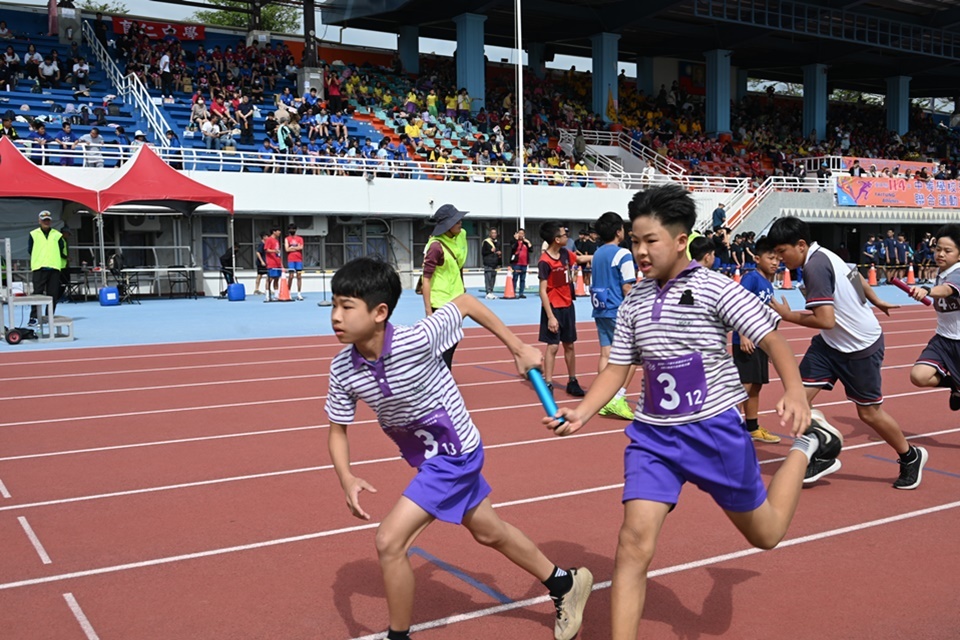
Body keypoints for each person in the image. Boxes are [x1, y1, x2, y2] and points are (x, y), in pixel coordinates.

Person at [545, 184, 834, 640]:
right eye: (635, 241)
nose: (640, 251)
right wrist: (582, 411)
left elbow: (772, 339)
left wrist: (795, 392)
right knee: (632, 542)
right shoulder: (634, 302)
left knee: (766, 534)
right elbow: (617, 368)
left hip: (713, 433)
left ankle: (808, 444)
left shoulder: (716, 287)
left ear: (681, 240)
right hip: (653, 438)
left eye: (650, 241)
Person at [325, 257, 593, 640]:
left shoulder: (417, 339)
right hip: (427, 459)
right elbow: (337, 430)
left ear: (380, 312)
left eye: (346, 306)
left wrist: (517, 347)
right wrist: (346, 476)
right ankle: (565, 583)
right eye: (334, 305)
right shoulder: (343, 369)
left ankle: (398, 636)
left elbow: (465, 303)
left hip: (456, 454)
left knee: (389, 541)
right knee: (489, 531)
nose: (336, 315)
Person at [767, 216, 928, 489]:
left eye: (783, 252)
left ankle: (910, 456)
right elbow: (856, 277)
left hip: (860, 347)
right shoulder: (825, 253)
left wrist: (789, 315)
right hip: (830, 345)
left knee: (869, 414)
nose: (781, 259)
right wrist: (876, 300)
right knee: (795, 400)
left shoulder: (814, 268)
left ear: (801, 245)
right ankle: (825, 451)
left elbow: (826, 319)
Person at [733, 236, 782, 443]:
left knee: (755, 386)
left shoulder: (768, 284)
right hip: (746, 341)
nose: (775, 263)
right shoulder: (751, 278)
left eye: (778, 259)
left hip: (761, 341)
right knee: (743, 386)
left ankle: (751, 427)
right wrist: (743, 335)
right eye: (770, 258)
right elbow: (737, 304)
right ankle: (728, 429)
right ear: (757, 258)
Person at [590, 211, 637, 419]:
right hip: (618, 309)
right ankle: (617, 397)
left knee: (605, 354)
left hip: (600, 308)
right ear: (619, 232)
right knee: (633, 356)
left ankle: (603, 397)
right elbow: (627, 286)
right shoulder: (623, 254)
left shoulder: (598, 253)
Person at [909, 224, 960, 412]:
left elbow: (948, 290)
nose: (941, 254)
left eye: (948, 251)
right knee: (919, 376)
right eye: (938, 249)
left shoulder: (958, 272)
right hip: (943, 339)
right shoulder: (941, 271)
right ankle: (954, 384)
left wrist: (928, 290)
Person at [538, 221, 592, 397]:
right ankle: (548, 383)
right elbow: (542, 291)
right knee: (553, 347)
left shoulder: (565, 254)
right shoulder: (545, 261)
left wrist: (601, 255)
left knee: (569, 345)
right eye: (563, 234)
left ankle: (572, 380)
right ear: (556, 239)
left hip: (568, 305)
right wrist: (550, 316)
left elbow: (580, 259)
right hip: (553, 308)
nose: (566, 236)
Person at [420, 204, 468, 368]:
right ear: (446, 225)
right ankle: (441, 380)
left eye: (459, 219)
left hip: (457, 300)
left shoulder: (461, 236)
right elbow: (426, 279)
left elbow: (459, 265)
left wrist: (462, 287)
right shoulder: (435, 247)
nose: (460, 222)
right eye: (455, 221)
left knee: (453, 342)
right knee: (443, 347)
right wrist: (428, 312)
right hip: (440, 303)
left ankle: (440, 377)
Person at [28, 211, 68, 328]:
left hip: (54, 268)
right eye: (44, 220)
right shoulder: (33, 234)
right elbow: (30, 249)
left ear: (50, 221)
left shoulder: (57, 235)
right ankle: (34, 317)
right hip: (39, 267)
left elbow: (62, 250)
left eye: (48, 220)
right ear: (39, 221)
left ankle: (49, 316)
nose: (46, 222)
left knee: (53, 294)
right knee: (37, 294)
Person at [509, 228, 533, 298]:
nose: (521, 235)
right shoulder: (513, 241)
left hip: (524, 264)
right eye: (520, 233)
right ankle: (513, 292)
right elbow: (513, 247)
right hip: (516, 264)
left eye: (522, 233)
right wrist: (516, 240)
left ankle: (521, 293)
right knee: (515, 278)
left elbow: (531, 250)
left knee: (523, 279)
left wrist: (528, 242)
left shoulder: (525, 242)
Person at [284, 223, 305, 301]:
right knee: (291, 276)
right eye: (290, 229)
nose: (292, 231)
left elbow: (301, 247)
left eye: (293, 229)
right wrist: (296, 247)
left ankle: (299, 293)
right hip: (291, 260)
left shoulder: (300, 238)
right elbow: (286, 249)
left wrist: (292, 247)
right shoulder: (287, 239)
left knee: (299, 276)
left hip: (299, 259)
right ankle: (288, 293)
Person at [262, 226, 282, 302]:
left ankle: (276, 295)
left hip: (277, 262)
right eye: (278, 231)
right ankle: (267, 295)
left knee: (277, 279)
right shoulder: (269, 240)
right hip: (271, 262)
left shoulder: (276, 241)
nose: (279, 232)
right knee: (269, 279)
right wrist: (274, 251)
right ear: (274, 231)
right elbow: (266, 249)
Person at [481, 227, 501, 299]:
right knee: (488, 278)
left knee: (493, 278)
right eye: (492, 233)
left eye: (495, 233)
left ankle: (491, 292)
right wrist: (490, 250)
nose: (494, 234)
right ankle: (488, 292)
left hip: (494, 263)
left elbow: (498, 251)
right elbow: (483, 252)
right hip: (488, 263)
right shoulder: (486, 242)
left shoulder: (497, 242)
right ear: (490, 234)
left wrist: (499, 254)